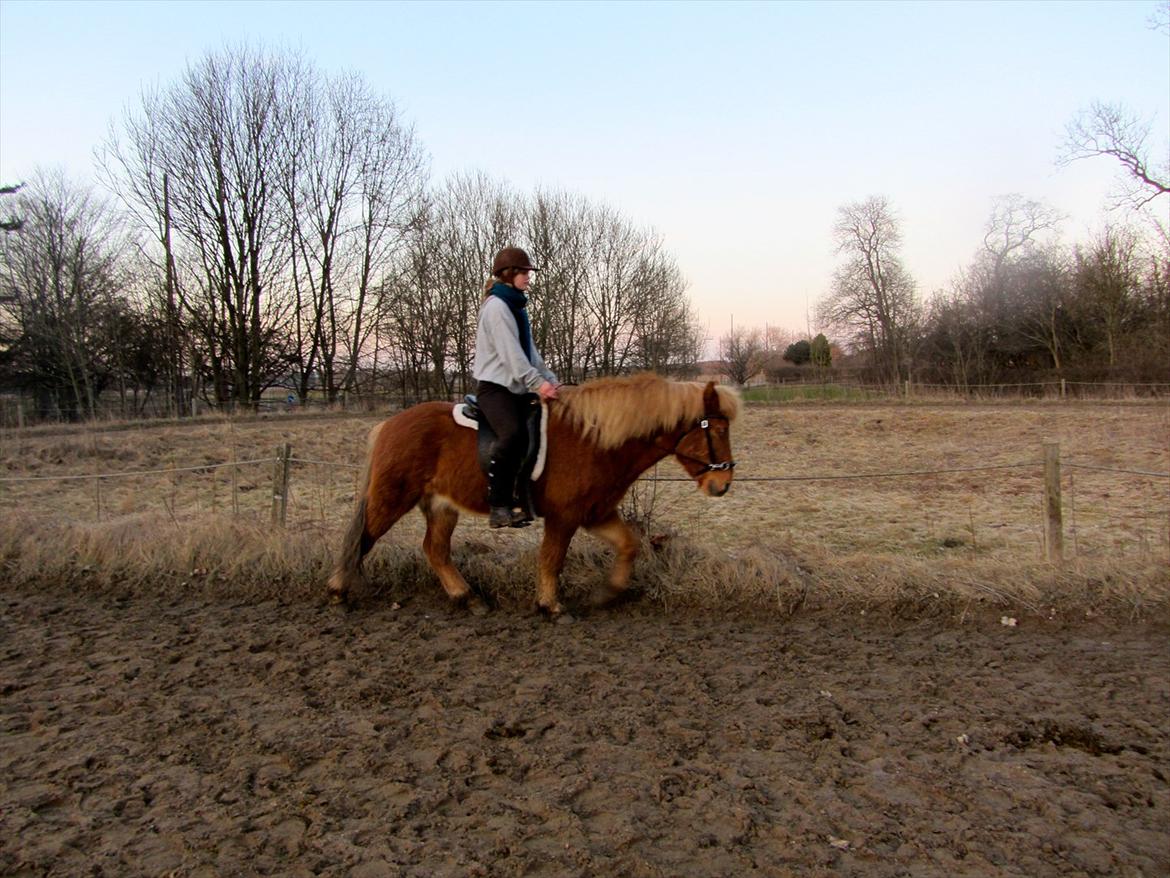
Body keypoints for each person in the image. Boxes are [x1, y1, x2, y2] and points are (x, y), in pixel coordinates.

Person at [472, 246, 560, 528]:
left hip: (517, 388)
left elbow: (531, 354)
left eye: (528, 272)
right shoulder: (497, 308)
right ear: (508, 274)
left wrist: (553, 381)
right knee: (512, 434)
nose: (528, 277)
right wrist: (537, 383)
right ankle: (498, 506)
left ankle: (525, 499)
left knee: (542, 431)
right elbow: (512, 356)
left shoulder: (515, 306)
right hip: (496, 389)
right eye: (523, 272)